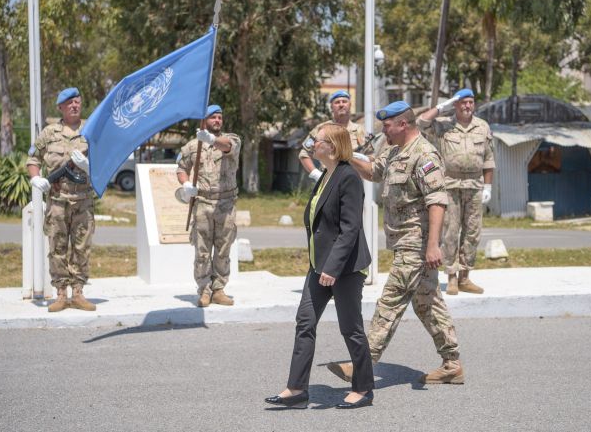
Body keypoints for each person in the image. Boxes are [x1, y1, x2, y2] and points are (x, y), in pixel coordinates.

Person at [327, 101, 464, 385]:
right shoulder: (394, 152)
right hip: (403, 242)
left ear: (403, 124)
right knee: (427, 303)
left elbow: (437, 201)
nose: (384, 131)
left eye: (387, 126)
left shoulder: (424, 154)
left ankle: (362, 363)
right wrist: (347, 156)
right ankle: (452, 363)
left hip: (416, 242)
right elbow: (372, 172)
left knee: (390, 300)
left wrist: (433, 245)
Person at [265, 123, 374, 409]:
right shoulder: (326, 174)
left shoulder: (348, 177)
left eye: (319, 140)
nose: (313, 143)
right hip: (319, 266)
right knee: (305, 322)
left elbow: (350, 229)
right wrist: (321, 264)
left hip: (345, 268)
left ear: (333, 147)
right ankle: (296, 389)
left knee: (350, 328)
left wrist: (332, 268)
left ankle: (363, 388)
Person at [417, 89, 495, 295]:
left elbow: (488, 159)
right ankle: (451, 276)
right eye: (463, 102)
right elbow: (421, 123)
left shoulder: (482, 127)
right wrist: (440, 107)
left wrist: (488, 186)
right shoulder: (444, 125)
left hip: (475, 185)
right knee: (450, 232)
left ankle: (465, 277)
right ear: (455, 105)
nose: (467, 106)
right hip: (450, 184)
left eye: (470, 102)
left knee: (472, 232)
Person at [26, 87, 96, 312]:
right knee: (57, 247)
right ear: (60, 107)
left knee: (82, 247)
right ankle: (61, 294)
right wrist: (36, 179)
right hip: (57, 200)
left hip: (83, 200)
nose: (74, 105)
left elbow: (105, 159)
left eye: (77, 101)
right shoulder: (49, 133)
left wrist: (89, 166)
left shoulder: (91, 129)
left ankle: (78, 293)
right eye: (69, 103)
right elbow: (33, 159)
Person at [176, 105, 241, 307]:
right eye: (213, 117)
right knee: (202, 250)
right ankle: (204, 290)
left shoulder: (232, 139)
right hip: (203, 203)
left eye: (220, 117)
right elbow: (181, 168)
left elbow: (227, 146)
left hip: (226, 204)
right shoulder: (192, 146)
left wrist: (211, 139)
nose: (217, 120)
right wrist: (186, 184)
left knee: (223, 249)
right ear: (204, 121)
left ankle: (219, 289)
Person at [298, 90, 370, 183]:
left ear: (350, 105)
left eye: (344, 101)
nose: (341, 105)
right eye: (337, 102)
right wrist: (315, 174)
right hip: (328, 178)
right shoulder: (322, 129)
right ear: (331, 107)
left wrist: (360, 158)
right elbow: (304, 153)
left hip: (352, 179)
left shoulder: (360, 130)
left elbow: (372, 157)